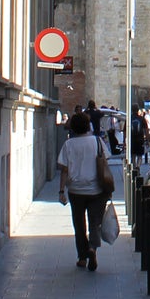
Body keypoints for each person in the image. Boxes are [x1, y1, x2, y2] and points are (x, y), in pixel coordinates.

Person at [58, 107, 113, 270]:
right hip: (96, 189)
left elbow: (64, 170)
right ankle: (92, 248)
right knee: (95, 222)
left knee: (79, 223)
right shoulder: (97, 141)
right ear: (88, 126)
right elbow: (105, 162)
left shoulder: (68, 145)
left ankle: (82, 257)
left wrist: (61, 191)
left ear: (73, 127)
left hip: (76, 190)